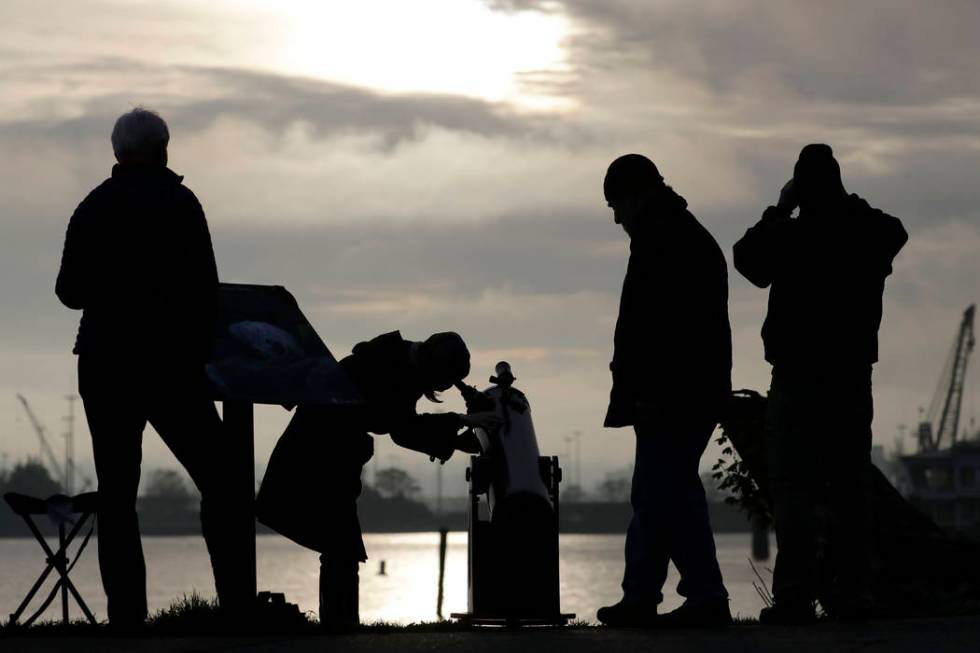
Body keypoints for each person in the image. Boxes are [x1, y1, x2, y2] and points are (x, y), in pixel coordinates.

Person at [55, 107, 249, 626]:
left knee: (117, 493)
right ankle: (234, 604)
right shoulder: (182, 203)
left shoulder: (93, 205)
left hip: (104, 363)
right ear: (164, 148)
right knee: (223, 480)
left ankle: (128, 618)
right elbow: (206, 287)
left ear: (117, 152)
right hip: (172, 367)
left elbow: (68, 292)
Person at [733, 144, 908, 624]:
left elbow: (746, 258)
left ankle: (793, 598)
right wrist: (845, 203)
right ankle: (854, 594)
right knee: (851, 489)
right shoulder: (865, 231)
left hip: (796, 380)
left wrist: (782, 205)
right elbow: (895, 230)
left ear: (800, 188)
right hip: (851, 380)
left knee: (795, 493)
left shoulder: (791, 235)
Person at [256, 330, 497, 629]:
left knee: (341, 547)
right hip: (317, 456)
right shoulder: (390, 368)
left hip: (327, 455)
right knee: (341, 546)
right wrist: (460, 421)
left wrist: (456, 440)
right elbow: (401, 425)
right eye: (442, 381)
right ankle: (340, 629)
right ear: (431, 366)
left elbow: (400, 428)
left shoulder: (394, 362)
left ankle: (341, 627)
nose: (440, 389)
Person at [596, 154, 733, 628]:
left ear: (636, 196)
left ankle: (691, 597)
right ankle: (662, 596)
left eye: (616, 204)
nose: (615, 216)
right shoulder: (681, 234)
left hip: (672, 396)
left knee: (663, 494)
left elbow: (661, 330)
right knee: (663, 494)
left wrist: (648, 392)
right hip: (688, 392)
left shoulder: (663, 241)